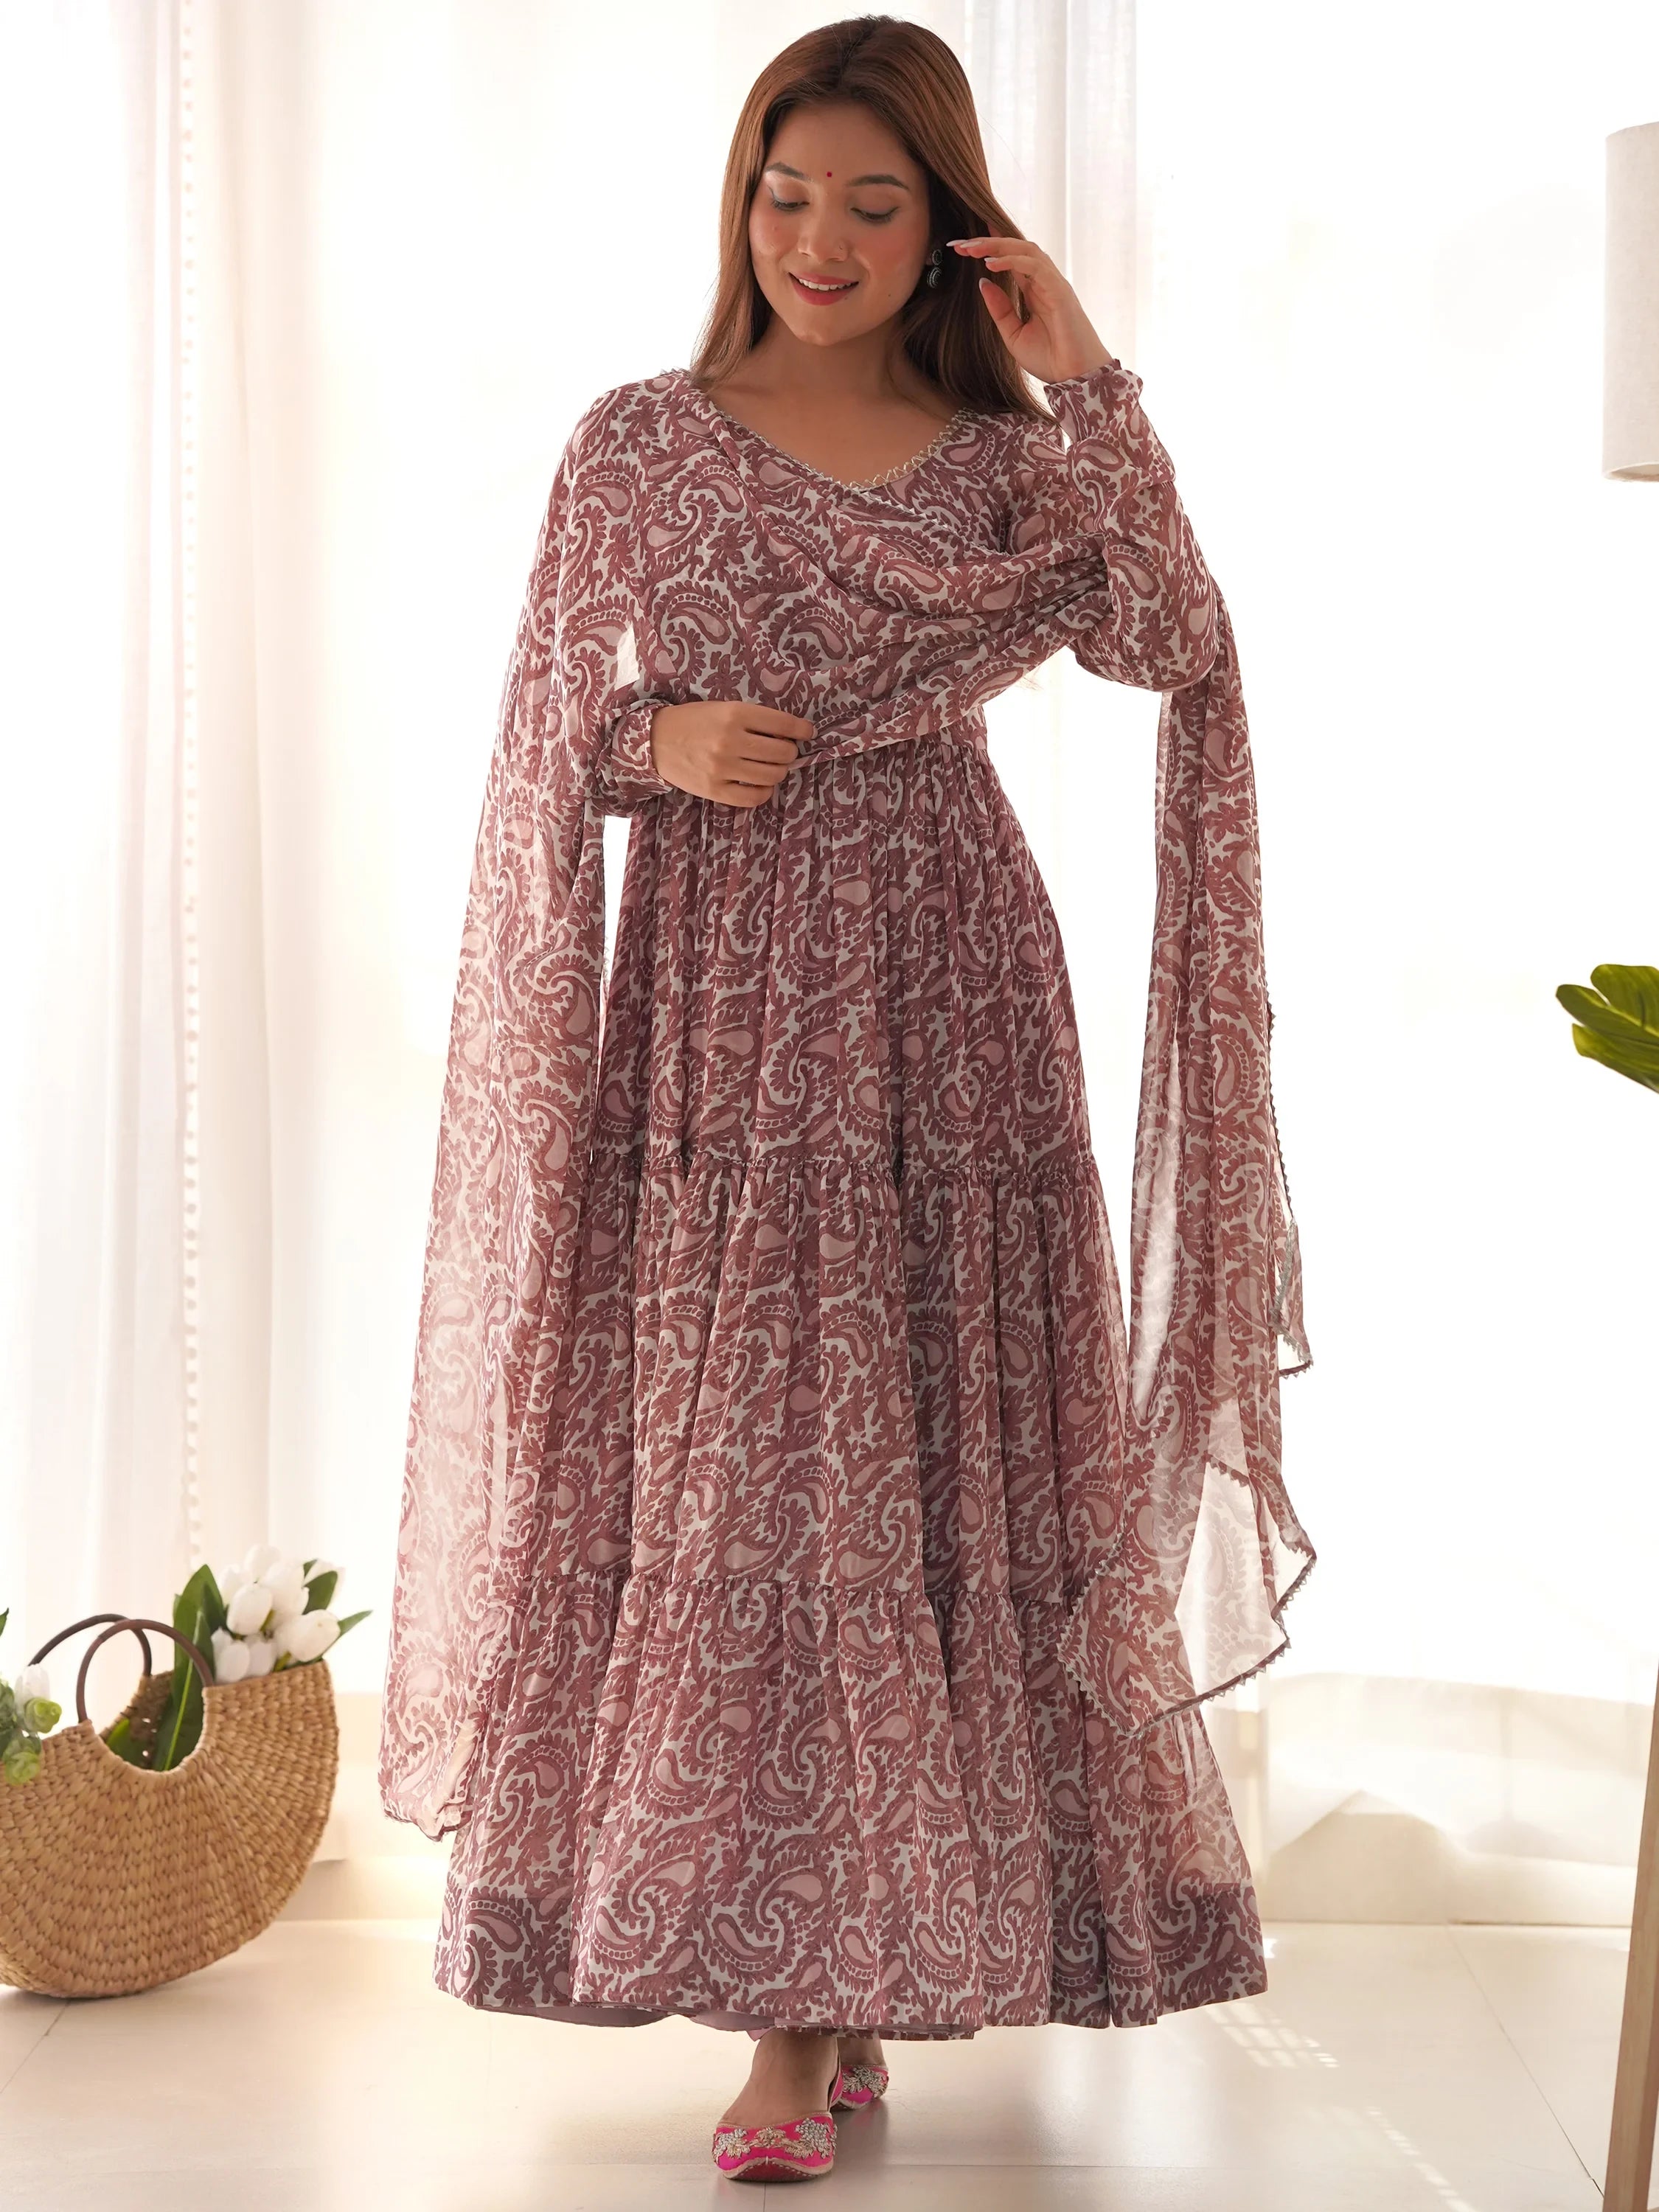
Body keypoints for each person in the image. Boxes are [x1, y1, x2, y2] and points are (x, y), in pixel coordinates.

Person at [378, 13, 1313, 2188]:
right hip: (716, 1008)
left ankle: (840, 1997)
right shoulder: (638, 438)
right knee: (762, 1472)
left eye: (874, 204)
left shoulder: (1008, 462)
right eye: (784, 193)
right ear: (741, 202)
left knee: (917, 1452)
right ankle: (797, 2013)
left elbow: (1175, 641)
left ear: (950, 228)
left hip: (946, 983)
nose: (818, 239)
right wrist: (659, 746)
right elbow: (542, 727)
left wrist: (1092, 380)